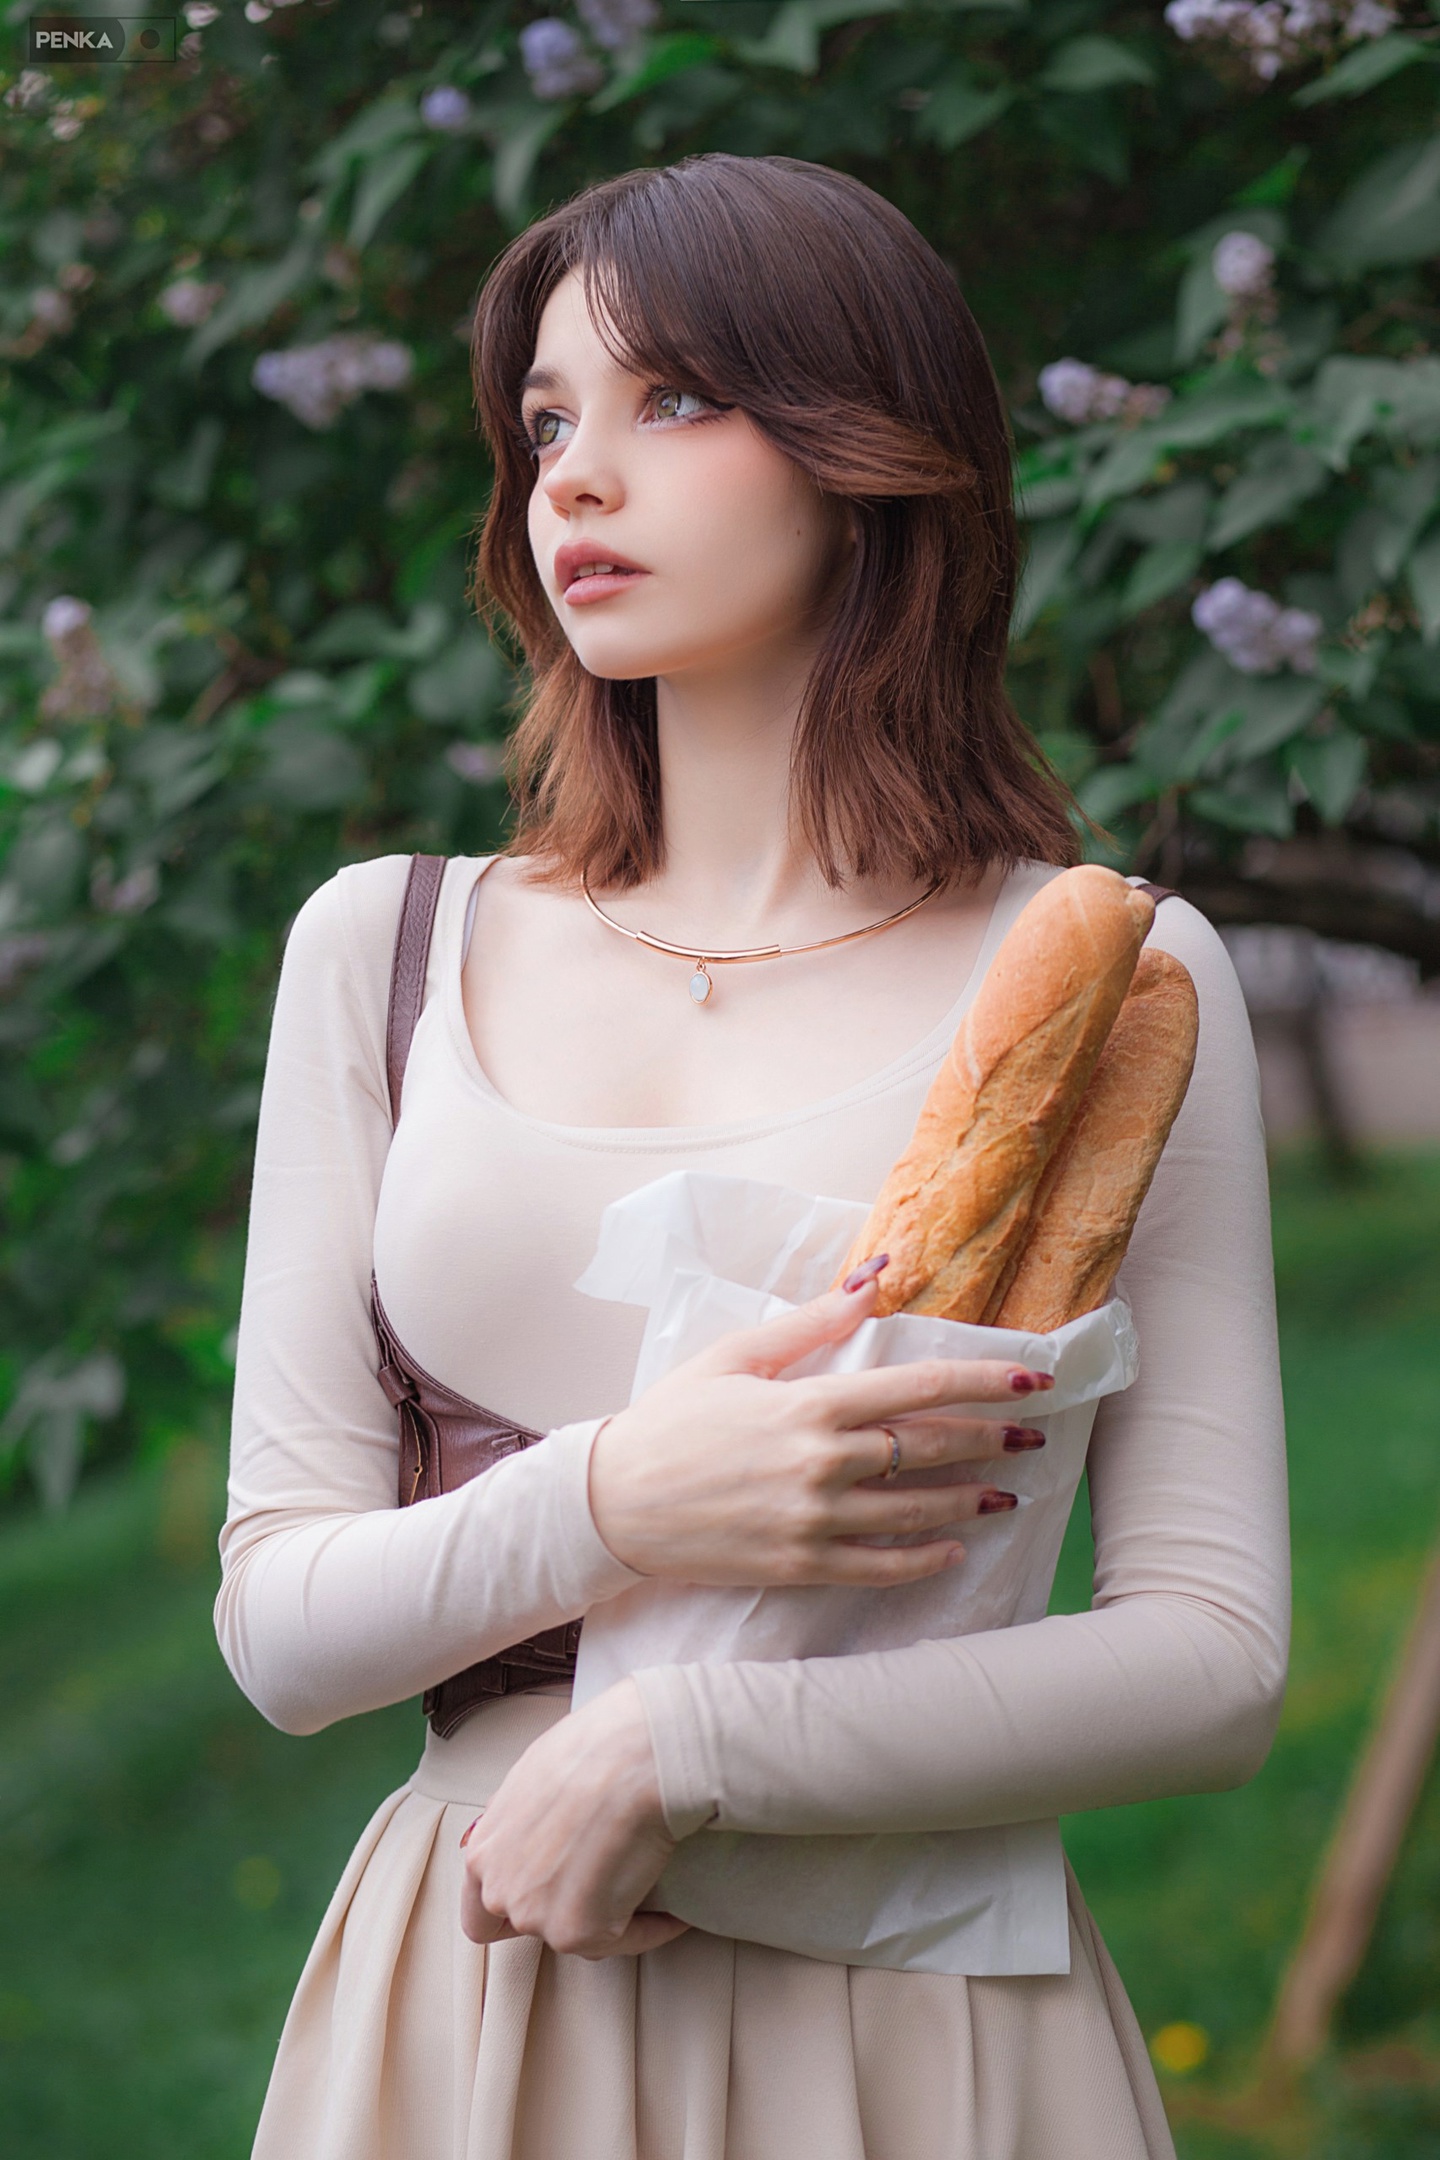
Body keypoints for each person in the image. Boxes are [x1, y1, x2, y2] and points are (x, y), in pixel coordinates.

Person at [217, 154, 1289, 2160]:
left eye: (673, 400)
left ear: (869, 450)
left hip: (922, 2019)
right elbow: (281, 1633)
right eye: (548, 422)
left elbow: (1213, 1664)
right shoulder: (384, 946)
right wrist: (625, 1496)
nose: (576, 481)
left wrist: (691, 1742)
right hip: (474, 1995)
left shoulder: (1110, 981)